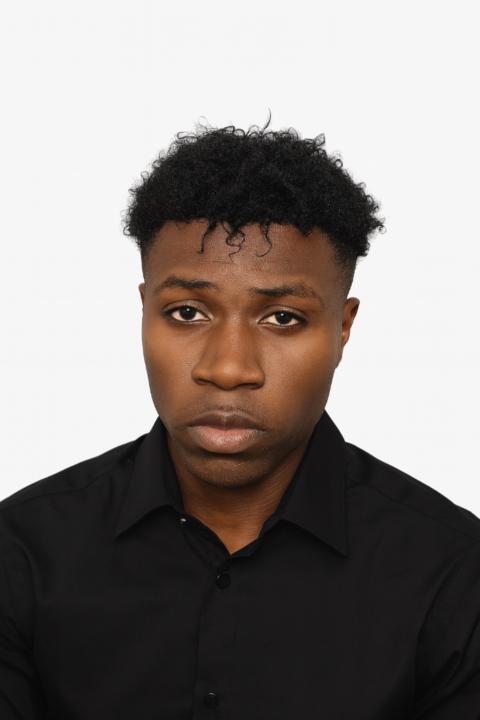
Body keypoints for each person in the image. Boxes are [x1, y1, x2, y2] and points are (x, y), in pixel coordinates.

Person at [1, 117, 479, 720]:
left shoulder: (453, 573)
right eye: (187, 312)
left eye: (282, 318)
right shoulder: (22, 553)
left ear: (343, 328)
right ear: (144, 310)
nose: (228, 369)